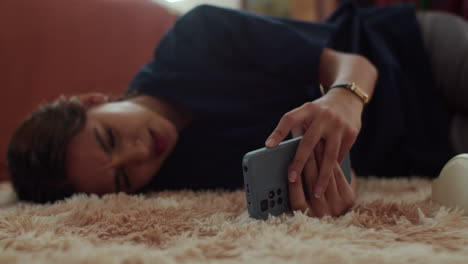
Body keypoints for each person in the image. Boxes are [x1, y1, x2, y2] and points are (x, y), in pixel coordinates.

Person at [6, 1, 461, 218]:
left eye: (110, 137)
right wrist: (327, 185)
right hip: (417, 146)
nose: (140, 153)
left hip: (411, 55)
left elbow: (352, 63)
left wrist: (343, 97)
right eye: (124, 177)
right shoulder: (172, 182)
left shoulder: (197, 37)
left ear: (94, 101)